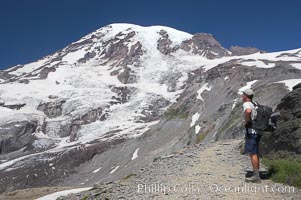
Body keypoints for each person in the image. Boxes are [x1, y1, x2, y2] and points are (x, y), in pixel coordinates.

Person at [242, 88, 261, 183]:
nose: (242, 96)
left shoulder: (247, 104)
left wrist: (246, 121)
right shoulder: (255, 103)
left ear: (245, 96)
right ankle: (256, 172)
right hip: (258, 131)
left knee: (252, 153)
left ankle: (256, 176)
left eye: (243, 95)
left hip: (252, 131)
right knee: (256, 153)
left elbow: (248, 111)